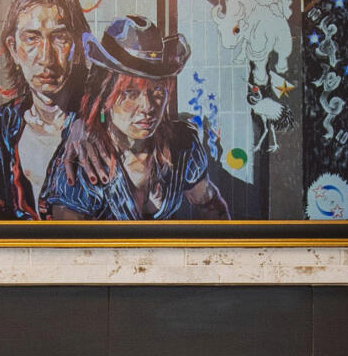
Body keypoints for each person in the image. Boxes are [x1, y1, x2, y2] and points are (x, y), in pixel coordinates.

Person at [41, 17, 229, 220]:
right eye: (130, 92)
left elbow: (210, 205)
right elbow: (69, 244)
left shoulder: (182, 145)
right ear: (105, 96)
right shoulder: (85, 159)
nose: (148, 107)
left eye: (157, 91)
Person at [0, 0, 91, 220]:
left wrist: (92, 121)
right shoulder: (5, 123)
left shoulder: (100, 116)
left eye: (60, 37)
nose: (46, 57)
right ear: (13, 49)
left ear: (78, 46)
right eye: (32, 39)